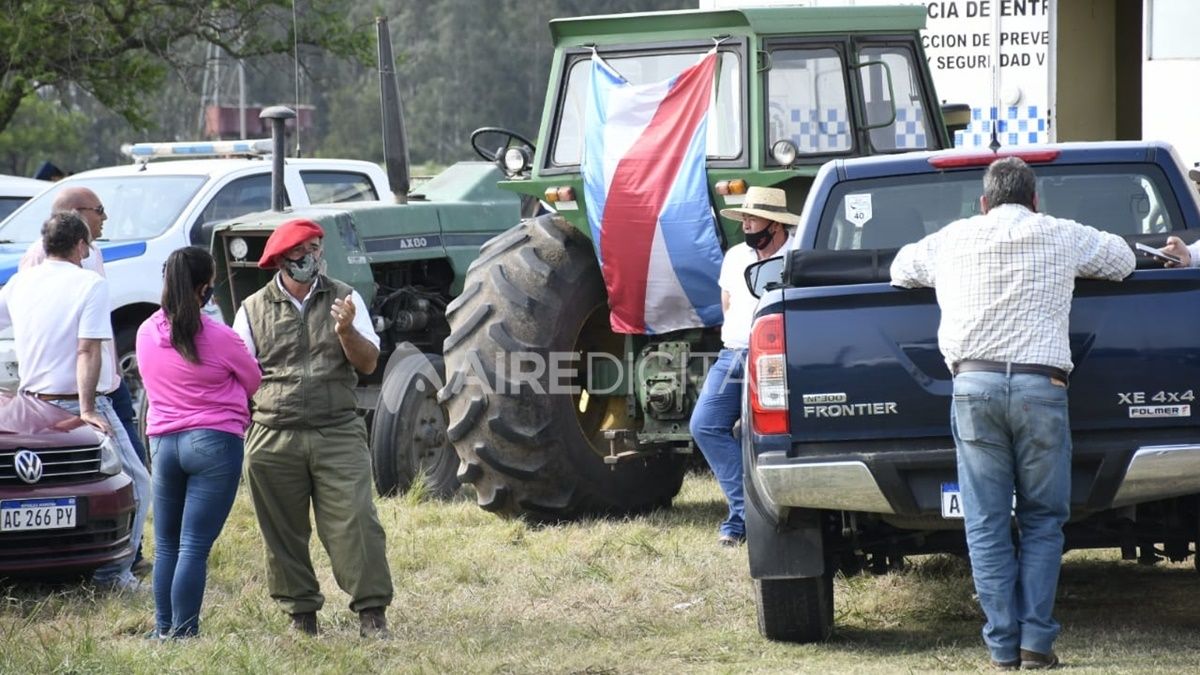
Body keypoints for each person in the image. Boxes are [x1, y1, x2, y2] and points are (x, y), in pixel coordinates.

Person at [890, 157, 1135, 670]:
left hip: (973, 386)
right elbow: (1122, 260)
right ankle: (1036, 643)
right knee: (1043, 519)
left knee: (985, 522)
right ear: (1034, 200)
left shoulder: (952, 238)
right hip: (1042, 387)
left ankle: (1002, 647)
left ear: (983, 203)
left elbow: (900, 268)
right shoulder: (1062, 233)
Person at [231, 218, 393, 638]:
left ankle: (372, 613)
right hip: (273, 433)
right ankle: (301, 616)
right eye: (301, 252)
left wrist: (345, 331)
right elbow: (239, 373)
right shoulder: (251, 310)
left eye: (316, 248)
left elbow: (368, 363)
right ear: (280, 260)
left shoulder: (345, 298)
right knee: (282, 531)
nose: (311, 258)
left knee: (357, 521)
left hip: (337, 428)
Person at [0, 212, 151, 591]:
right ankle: (114, 574)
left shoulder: (20, 282)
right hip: (74, 404)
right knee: (138, 482)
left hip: (31, 405)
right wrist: (87, 410)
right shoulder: (89, 284)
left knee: (41, 492)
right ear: (81, 246)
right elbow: (87, 349)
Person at [136, 246, 262, 639]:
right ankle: (185, 632)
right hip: (213, 443)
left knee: (166, 546)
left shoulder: (145, 332)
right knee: (193, 546)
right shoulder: (221, 337)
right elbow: (253, 380)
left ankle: (163, 630)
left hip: (163, 443)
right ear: (204, 288)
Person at [689, 186, 795, 548]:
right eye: (745, 218)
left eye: (753, 218)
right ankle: (749, 512)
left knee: (769, 435)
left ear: (775, 224)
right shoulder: (735, 256)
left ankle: (743, 520)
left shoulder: (797, 254)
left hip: (775, 357)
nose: (746, 225)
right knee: (705, 425)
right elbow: (728, 303)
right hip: (733, 354)